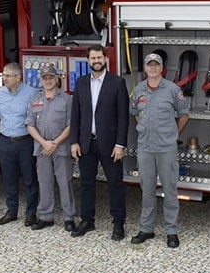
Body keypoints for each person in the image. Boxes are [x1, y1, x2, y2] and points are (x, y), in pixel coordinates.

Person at [70, 44, 129, 241]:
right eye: (92, 58)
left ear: (105, 59)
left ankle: (118, 223)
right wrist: (74, 142)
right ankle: (88, 220)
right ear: (88, 61)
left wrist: (120, 144)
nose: (96, 61)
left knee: (115, 184)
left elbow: (123, 117)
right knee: (86, 183)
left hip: (110, 145)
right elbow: (75, 115)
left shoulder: (117, 83)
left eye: (99, 58)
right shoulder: (81, 83)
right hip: (86, 143)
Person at [130, 53, 190, 248]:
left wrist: (173, 133)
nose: (153, 68)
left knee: (170, 190)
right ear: (146, 68)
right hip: (146, 147)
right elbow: (135, 114)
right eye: (149, 65)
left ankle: (171, 231)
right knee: (146, 189)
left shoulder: (172, 89)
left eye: (156, 65)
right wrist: (144, 128)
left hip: (166, 148)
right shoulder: (139, 89)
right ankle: (146, 229)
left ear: (161, 68)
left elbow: (184, 115)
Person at [26, 63, 75, 232]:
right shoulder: (35, 99)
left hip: (61, 149)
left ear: (57, 79)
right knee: (44, 182)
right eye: (45, 78)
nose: (48, 80)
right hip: (42, 149)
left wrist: (54, 143)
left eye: (51, 77)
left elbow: (71, 125)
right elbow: (30, 125)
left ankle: (69, 218)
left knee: (65, 183)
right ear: (40, 80)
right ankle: (45, 216)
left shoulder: (67, 99)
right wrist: (44, 143)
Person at [0, 62, 39, 227]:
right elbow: (1, 114)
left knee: (29, 178)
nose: (4, 78)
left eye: (8, 75)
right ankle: (11, 211)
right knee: (9, 178)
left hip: (25, 141)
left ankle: (31, 213)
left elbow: (35, 117)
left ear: (18, 77)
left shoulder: (32, 93)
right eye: (3, 75)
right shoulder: (0, 94)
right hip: (6, 141)